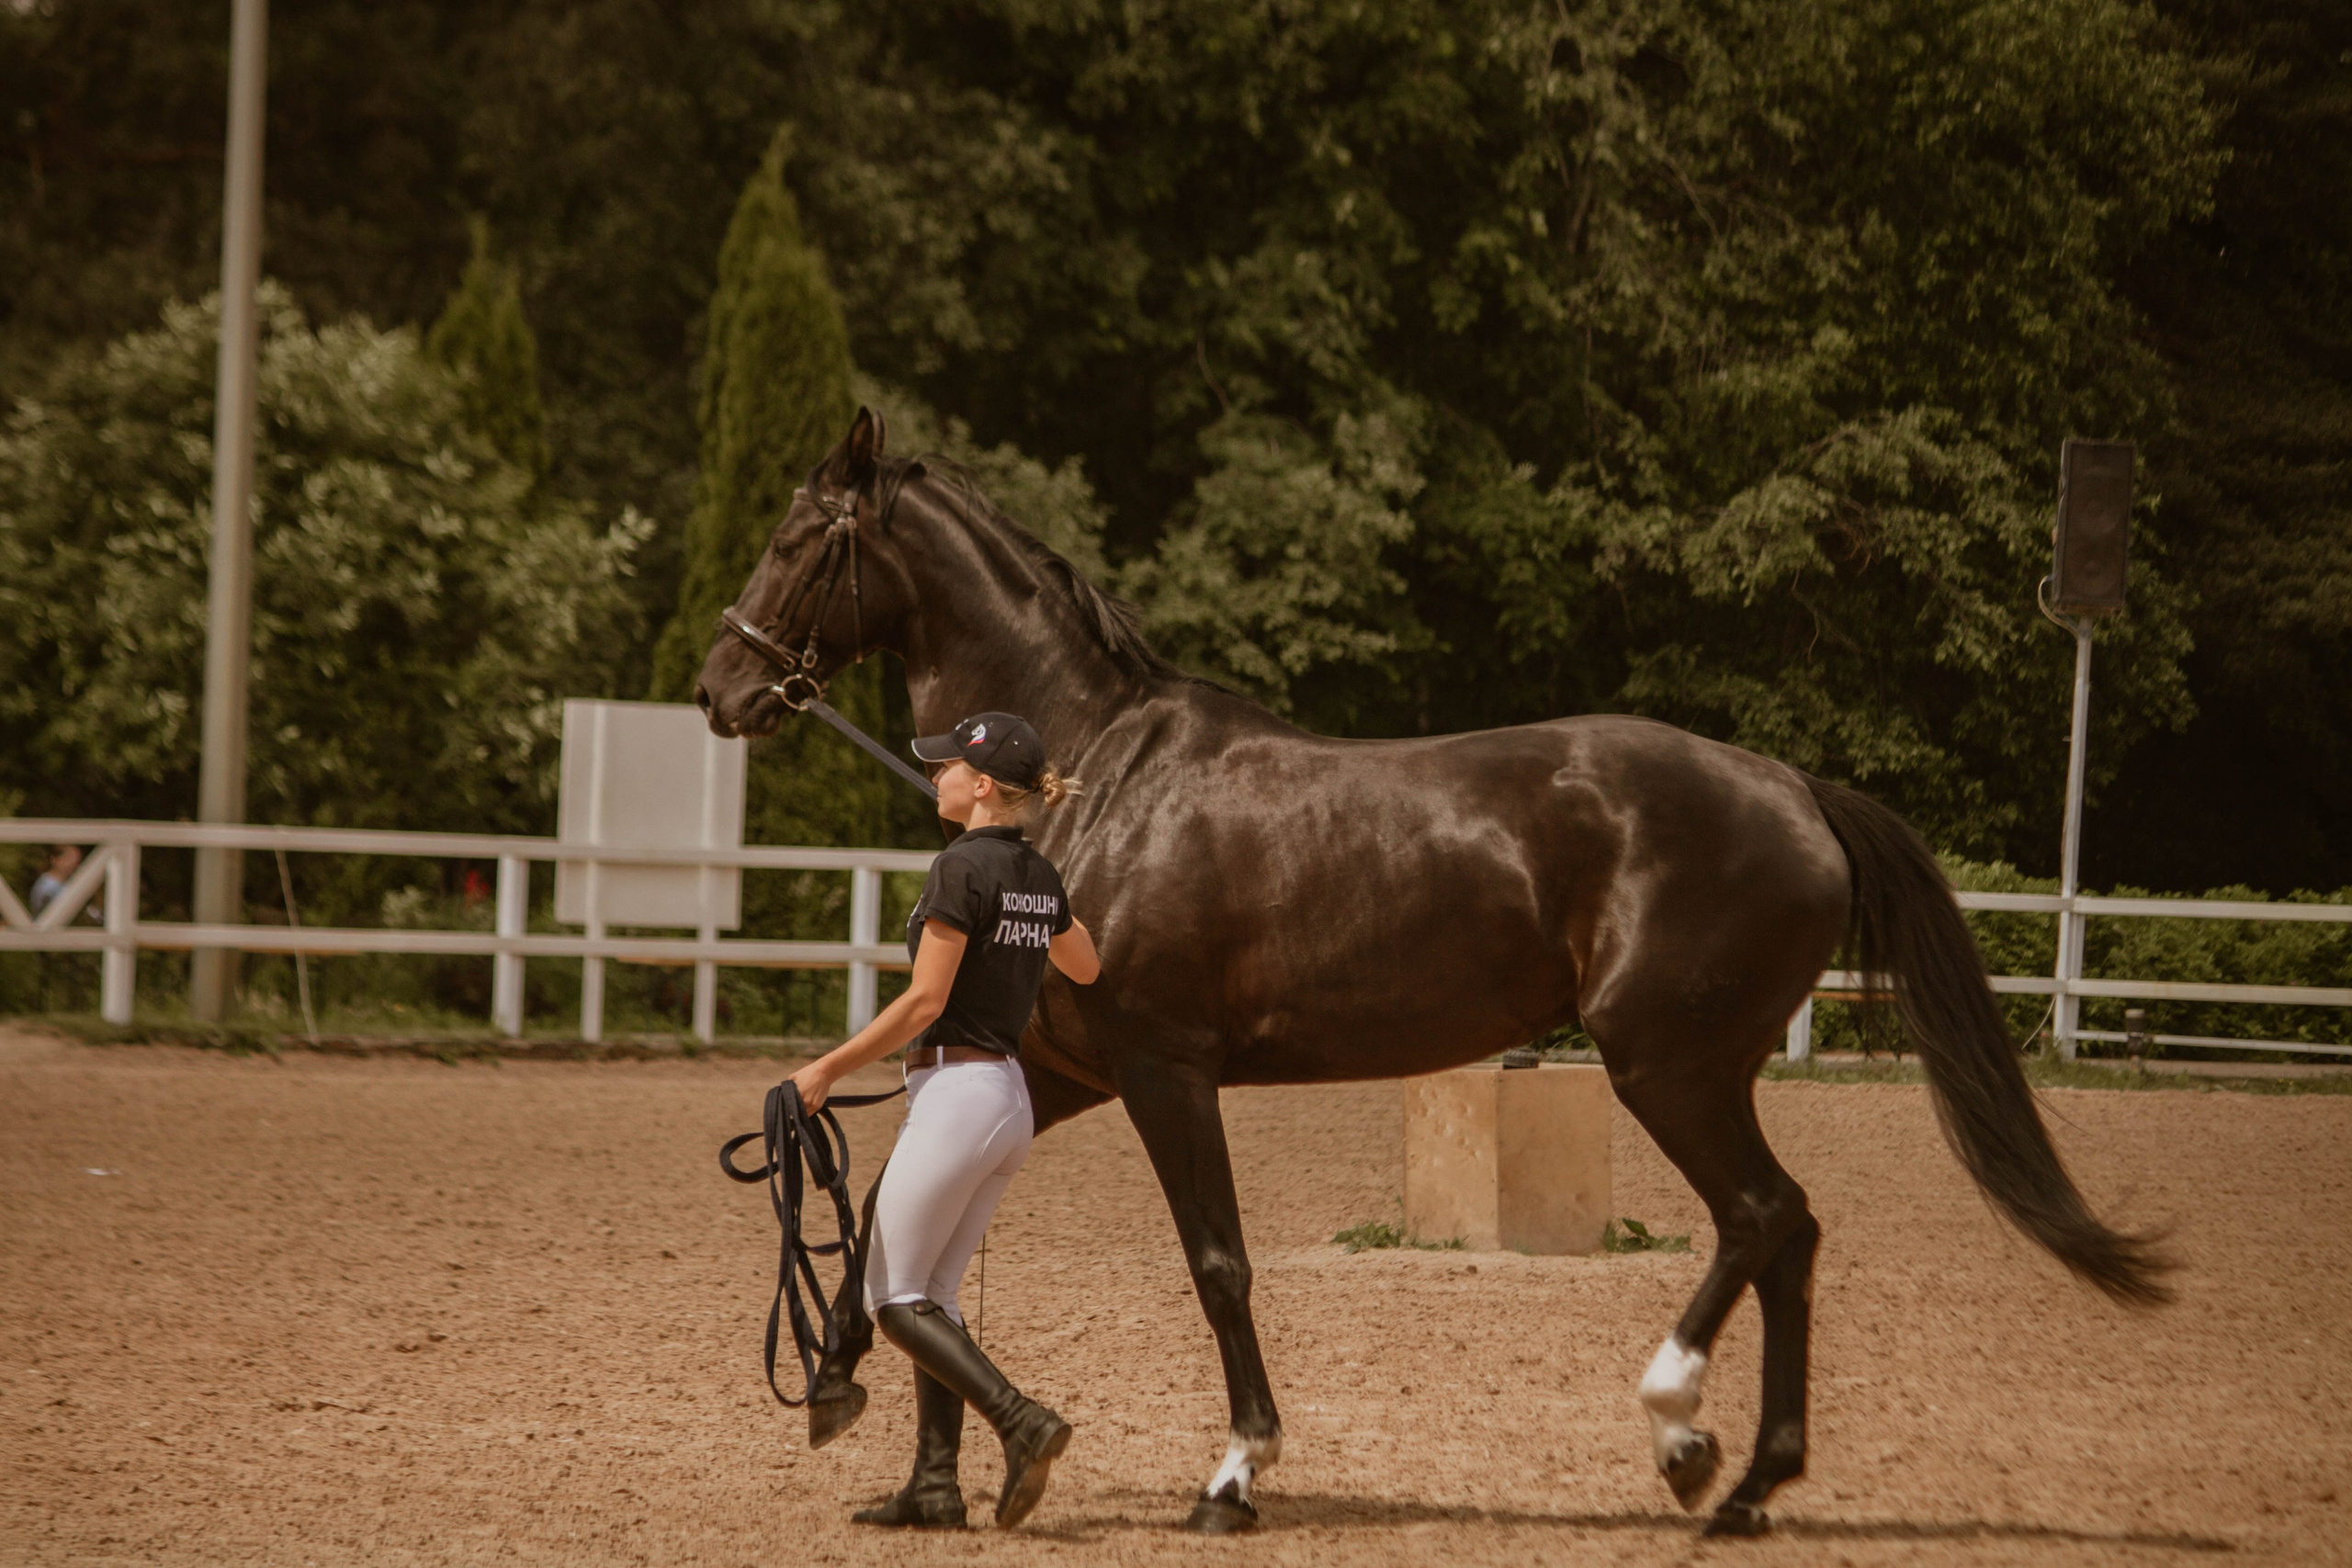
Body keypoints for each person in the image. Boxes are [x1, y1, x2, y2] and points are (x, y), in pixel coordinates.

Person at [789, 711, 1100, 1530]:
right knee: (936, 1294)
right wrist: (1039, 910)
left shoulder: (958, 869)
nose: (936, 778)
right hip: (1007, 1102)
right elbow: (1087, 963)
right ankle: (935, 1484)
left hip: (959, 1094)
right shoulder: (1037, 870)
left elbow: (926, 1000)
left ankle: (1022, 1420)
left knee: (892, 1298)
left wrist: (826, 1068)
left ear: (983, 785)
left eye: (948, 770)